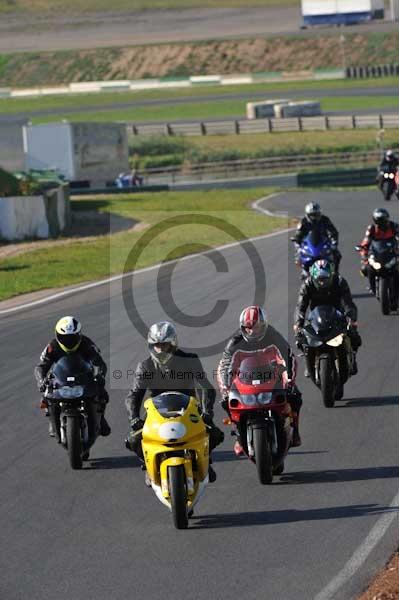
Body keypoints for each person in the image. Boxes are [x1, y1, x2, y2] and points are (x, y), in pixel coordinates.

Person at [125, 321, 223, 483]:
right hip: (157, 411)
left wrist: (207, 412)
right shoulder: (145, 366)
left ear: (173, 344)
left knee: (214, 434)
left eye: (164, 345)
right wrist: (133, 417)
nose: (161, 350)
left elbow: (205, 387)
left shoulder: (189, 360)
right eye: (157, 346)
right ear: (151, 346)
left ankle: (204, 461)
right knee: (133, 439)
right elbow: (134, 394)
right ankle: (149, 466)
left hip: (188, 408)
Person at [217, 305, 303, 452]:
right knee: (226, 402)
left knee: (295, 397)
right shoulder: (235, 341)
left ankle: (294, 430)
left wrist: (289, 381)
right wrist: (226, 388)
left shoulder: (273, 335)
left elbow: (288, 357)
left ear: (263, 325)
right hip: (246, 379)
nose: (251, 331)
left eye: (255, 327)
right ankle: (238, 435)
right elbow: (224, 365)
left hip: (270, 376)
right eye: (248, 327)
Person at [34, 316, 111, 438]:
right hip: (60, 378)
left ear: (79, 335)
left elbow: (99, 363)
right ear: (57, 335)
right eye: (64, 338)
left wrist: (99, 376)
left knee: (102, 394)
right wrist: (41, 381)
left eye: (72, 338)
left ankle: (101, 419)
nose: (68, 341)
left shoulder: (87, 344)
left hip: (83, 377)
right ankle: (52, 422)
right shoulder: (52, 346)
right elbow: (41, 367)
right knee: (46, 396)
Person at [294, 260, 361, 376]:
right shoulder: (307, 284)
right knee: (300, 338)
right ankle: (308, 361)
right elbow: (301, 305)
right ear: (313, 277)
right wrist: (298, 323)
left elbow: (348, 302)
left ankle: (352, 356)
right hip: (316, 317)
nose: (322, 282)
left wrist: (352, 318)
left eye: (324, 278)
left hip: (337, 314)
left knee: (354, 335)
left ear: (331, 275)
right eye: (319, 279)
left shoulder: (339, 282)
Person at [358, 208, 399, 297]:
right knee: (366, 268)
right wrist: (363, 252)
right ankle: (372, 287)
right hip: (377, 254)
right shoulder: (372, 229)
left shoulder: (394, 226)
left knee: (397, 268)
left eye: (384, 220)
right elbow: (366, 241)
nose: (383, 223)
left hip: (392, 253)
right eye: (380, 221)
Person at [293, 202, 341, 271]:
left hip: (323, 244)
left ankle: (335, 273)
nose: (314, 217)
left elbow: (333, 231)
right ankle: (304, 272)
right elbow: (298, 234)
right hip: (309, 246)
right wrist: (297, 242)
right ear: (307, 215)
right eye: (312, 215)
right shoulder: (303, 222)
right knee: (298, 256)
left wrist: (334, 243)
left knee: (337, 255)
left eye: (316, 215)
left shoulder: (325, 220)